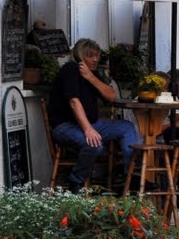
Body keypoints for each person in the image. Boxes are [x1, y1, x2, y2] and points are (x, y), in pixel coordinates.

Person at [47, 38, 138, 193]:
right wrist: (88, 129)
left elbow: (111, 96)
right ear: (79, 57)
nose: (95, 59)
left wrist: (91, 77)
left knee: (126, 127)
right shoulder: (70, 69)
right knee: (94, 144)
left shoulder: (92, 74)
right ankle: (76, 181)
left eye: (97, 55)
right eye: (90, 56)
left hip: (88, 125)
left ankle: (131, 175)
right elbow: (74, 102)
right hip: (65, 126)